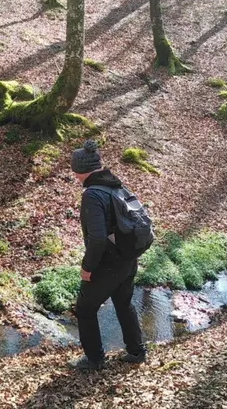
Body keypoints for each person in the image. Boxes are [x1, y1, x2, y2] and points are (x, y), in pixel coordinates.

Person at [68, 140, 147, 371]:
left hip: (108, 264)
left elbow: (98, 238)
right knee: (123, 303)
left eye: (74, 170)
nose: (74, 175)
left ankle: (94, 360)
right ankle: (137, 351)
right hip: (128, 260)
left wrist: (88, 267)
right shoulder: (115, 186)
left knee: (85, 309)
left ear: (81, 170)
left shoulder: (92, 194)